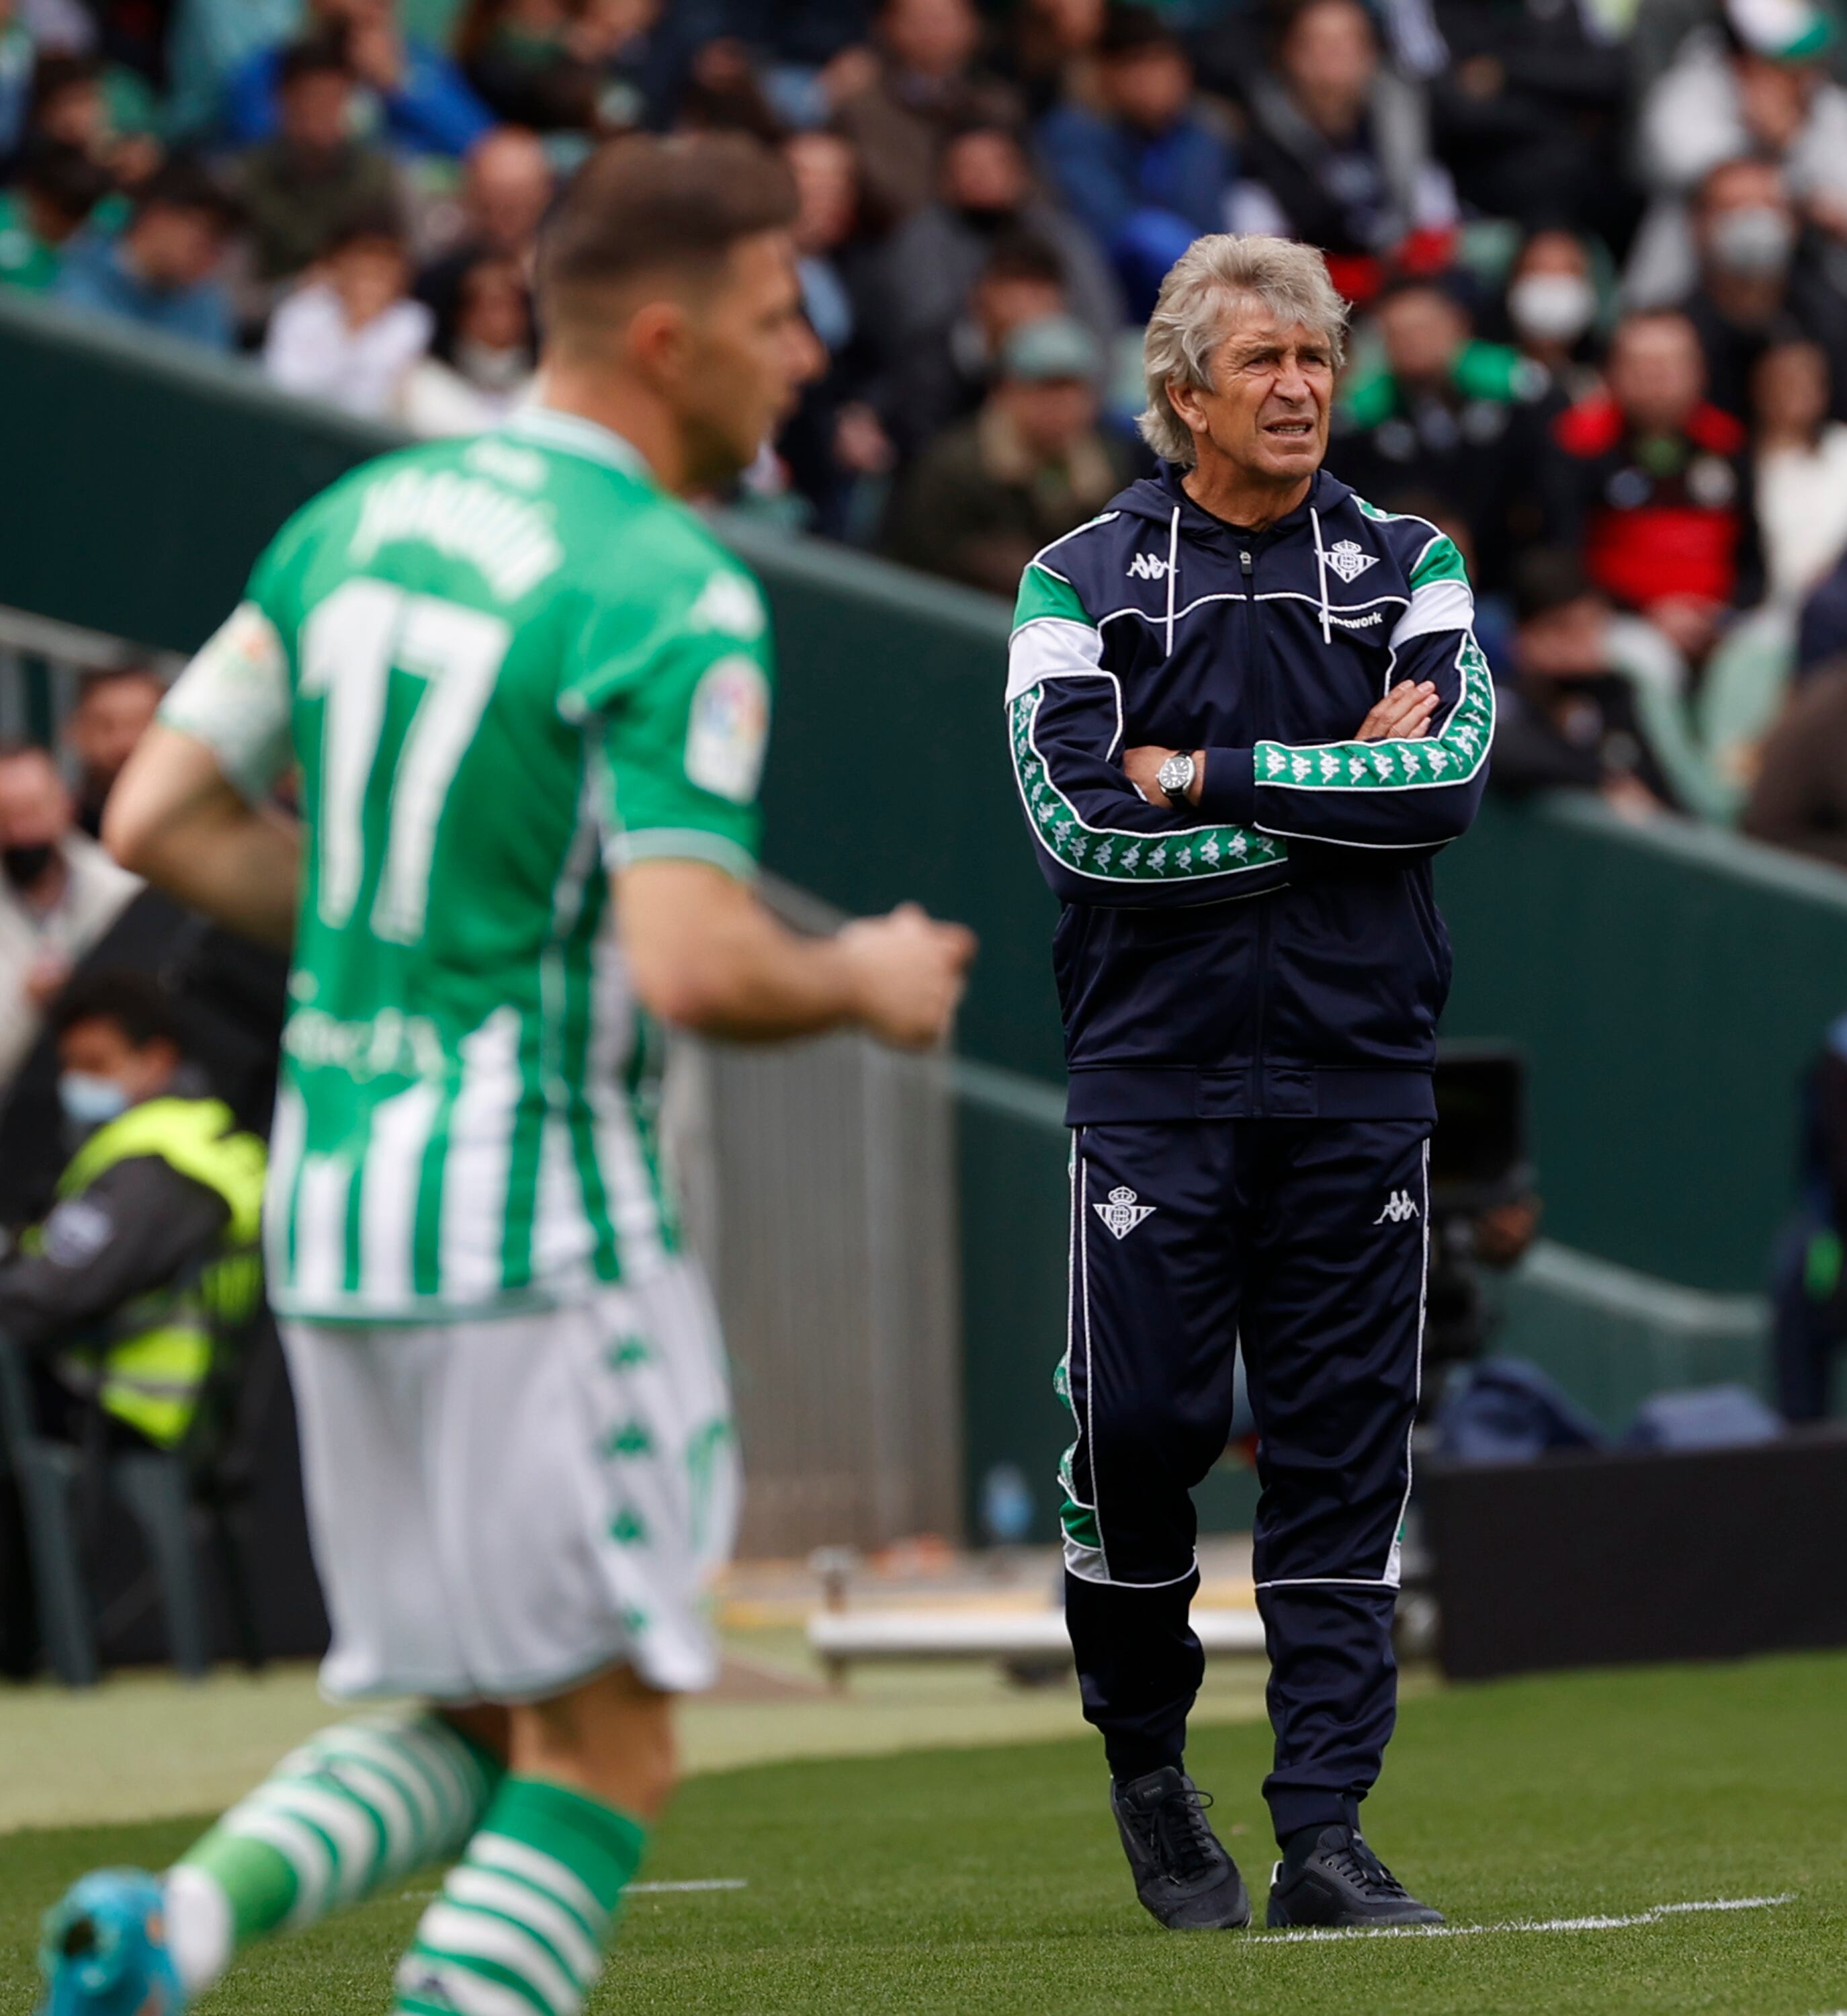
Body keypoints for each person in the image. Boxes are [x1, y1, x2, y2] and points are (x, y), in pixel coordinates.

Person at [39, 129, 974, 2016]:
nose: (805, 358)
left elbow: (147, 810)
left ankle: (171, 1936)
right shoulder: (668, 585)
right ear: (661, 337)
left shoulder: (350, 523)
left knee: (472, 1715)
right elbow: (693, 961)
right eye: (776, 317)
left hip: (341, 1218)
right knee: (610, 1749)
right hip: (538, 1229)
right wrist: (866, 978)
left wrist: (401, 924)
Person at [1005, 233, 1486, 1933]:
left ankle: (1323, 1837)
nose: (1298, 389)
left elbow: (1438, 782)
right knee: (1135, 1433)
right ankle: (1146, 1757)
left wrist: (1202, 772)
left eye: (1317, 361)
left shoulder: (1406, 559)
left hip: (1358, 1079)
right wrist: (1320, 799)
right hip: (1153, 1075)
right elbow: (1078, 834)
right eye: (1263, 361)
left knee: (1342, 1455)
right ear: (1180, 392)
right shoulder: (1075, 578)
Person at [0, 971, 267, 1459]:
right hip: (192, 1409)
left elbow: (50, 1293)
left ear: (157, 1061)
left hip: (119, 1406)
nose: (76, 1084)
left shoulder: (155, 1160)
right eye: (71, 1066)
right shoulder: (206, 1137)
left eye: (96, 1065)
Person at [875, 118, 1124, 456]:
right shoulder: (919, 242)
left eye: (996, 163)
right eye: (969, 166)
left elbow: (1101, 324)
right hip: (957, 407)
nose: (983, 176)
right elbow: (922, 338)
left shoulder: (1061, 236)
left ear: (1022, 172)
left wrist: (1076, 393)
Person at [1541, 308, 1758, 662]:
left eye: (1670, 364)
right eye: (1641, 365)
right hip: (1619, 620)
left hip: (1720, 622)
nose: (1656, 378)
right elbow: (1565, 556)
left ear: (1700, 371)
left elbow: (1753, 559)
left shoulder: (1728, 443)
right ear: (1612, 371)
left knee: (1760, 650)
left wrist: (1722, 615)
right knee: (1642, 657)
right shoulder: (1578, 444)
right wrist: (1646, 613)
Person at [884, 312, 1128, 592]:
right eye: (1046, 390)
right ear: (1007, 391)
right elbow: (919, 559)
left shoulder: (1106, 470)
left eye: (1074, 392)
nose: (1063, 407)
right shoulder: (955, 467)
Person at [1231, 0, 1453, 308]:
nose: (1335, 54)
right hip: (1304, 301)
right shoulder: (1256, 134)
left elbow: (1434, 217)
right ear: (1288, 53)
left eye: (1349, 41)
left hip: (1401, 288)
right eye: (1319, 42)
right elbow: (1260, 254)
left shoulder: (1406, 117)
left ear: (1371, 52)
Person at [1331, 275, 1547, 589]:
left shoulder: (1514, 398)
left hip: (1507, 578)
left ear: (1457, 326)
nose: (1414, 342)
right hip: (1408, 578)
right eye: (1398, 334)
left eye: (1424, 328)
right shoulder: (1361, 421)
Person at [1036, 3, 1232, 321]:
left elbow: (1209, 224)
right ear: (1107, 74)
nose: (1155, 80)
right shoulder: (1074, 133)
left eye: (1164, 63)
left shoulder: (1204, 132)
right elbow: (1117, 231)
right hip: (1106, 308)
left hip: (1199, 306)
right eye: (1139, 66)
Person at [0, 742, 138, 1097]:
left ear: (65, 803)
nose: (19, 832)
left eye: (31, 810)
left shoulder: (124, 892)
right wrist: (26, 1003)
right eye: (5, 815)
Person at [1675, 154, 1847, 424]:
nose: (1754, 221)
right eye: (1734, 208)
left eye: (1769, 207)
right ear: (1698, 224)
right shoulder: (1675, 333)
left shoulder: (1834, 321)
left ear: (1794, 221)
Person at [832, 0, 1021, 233]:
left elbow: (1034, 187)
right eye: (919, 19)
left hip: (1000, 232)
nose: (932, 30)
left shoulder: (999, 103)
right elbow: (883, 194)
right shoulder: (861, 106)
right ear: (886, 26)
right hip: (896, 239)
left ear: (974, 26)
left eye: (944, 18)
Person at [222, 0, 494, 157]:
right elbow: (256, 146)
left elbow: (482, 145)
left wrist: (398, 84)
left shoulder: (415, 59)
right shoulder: (274, 67)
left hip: (407, 216)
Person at [235, 35, 400, 285]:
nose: (325, 111)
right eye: (313, 98)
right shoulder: (245, 179)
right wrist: (298, 293)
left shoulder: (379, 178)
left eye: (336, 99)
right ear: (284, 101)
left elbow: (404, 268)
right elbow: (232, 289)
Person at [52, 157, 238, 350]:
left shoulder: (207, 309)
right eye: (206, 241)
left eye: (220, 248)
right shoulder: (74, 274)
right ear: (158, 217)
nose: (211, 258)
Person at [263, 212, 435, 417]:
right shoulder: (303, 309)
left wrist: (361, 323)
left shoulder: (412, 321)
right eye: (363, 263)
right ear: (337, 263)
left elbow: (376, 401)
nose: (370, 279)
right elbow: (282, 383)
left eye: (382, 268)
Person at [414, 122, 553, 355]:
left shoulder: (569, 278)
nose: (503, 218)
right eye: (490, 202)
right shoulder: (436, 282)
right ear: (470, 195)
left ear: (544, 194)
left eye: (517, 201)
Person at [395, 248, 535, 434]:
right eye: (490, 303)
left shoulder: (544, 385)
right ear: (461, 313)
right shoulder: (426, 383)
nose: (504, 316)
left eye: (513, 302)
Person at [1752, 336, 1847, 608]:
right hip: (1767, 609)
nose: (1795, 396)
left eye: (1808, 385)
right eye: (1784, 384)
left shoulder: (1842, 450)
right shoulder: (1742, 464)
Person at [62, 667, 164, 839]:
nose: (123, 742)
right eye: (105, 726)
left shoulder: (204, 824)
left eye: (139, 724)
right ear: (75, 732)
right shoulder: (59, 835)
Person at [0, 137, 110, 293]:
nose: (66, 225)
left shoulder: (87, 254)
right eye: (64, 211)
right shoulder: (4, 218)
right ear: (39, 194)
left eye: (79, 215)